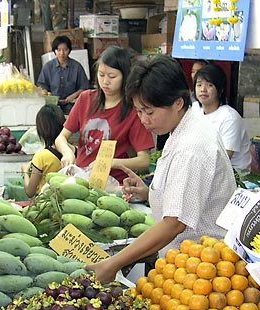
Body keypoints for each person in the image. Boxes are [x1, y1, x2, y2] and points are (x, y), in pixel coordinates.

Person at [87, 55, 236, 283]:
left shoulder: (191, 147)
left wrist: (114, 263)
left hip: (203, 270)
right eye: (138, 111)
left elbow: (174, 223)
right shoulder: (184, 127)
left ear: (177, 103)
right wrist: (150, 193)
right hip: (188, 263)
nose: (144, 120)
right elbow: (188, 196)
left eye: (149, 112)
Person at [54, 46, 154, 184]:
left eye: (112, 76)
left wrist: (112, 163)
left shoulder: (133, 111)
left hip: (112, 184)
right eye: (101, 75)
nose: (105, 81)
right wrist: (67, 153)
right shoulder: (85, 99)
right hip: (81, 178)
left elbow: (144, 160)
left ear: (125, 76)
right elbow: (61, 138)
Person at [194, 63, 252, 172]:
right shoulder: (194, 111)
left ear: (220, 90)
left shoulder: (229, 117)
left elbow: (222, 161)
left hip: (234, 177)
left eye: (210, 85)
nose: (203, 89)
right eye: (199, 85)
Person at [21, 104, 65, 197]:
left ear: (41, 129)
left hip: (46, 204)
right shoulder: (75, 151)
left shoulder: (42, 156)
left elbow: (30, 191)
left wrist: (25, 171)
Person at [37, 36, 89, 114]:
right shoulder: (48, 67)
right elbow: (41, 86)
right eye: (59, 50)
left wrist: (73, 96)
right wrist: (50, 96)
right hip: (52, 106)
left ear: (69, 50)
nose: (62, 53)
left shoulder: (77, 67)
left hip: (72, 105)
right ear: (54, 51)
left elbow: (84, 87)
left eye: (65, 50)